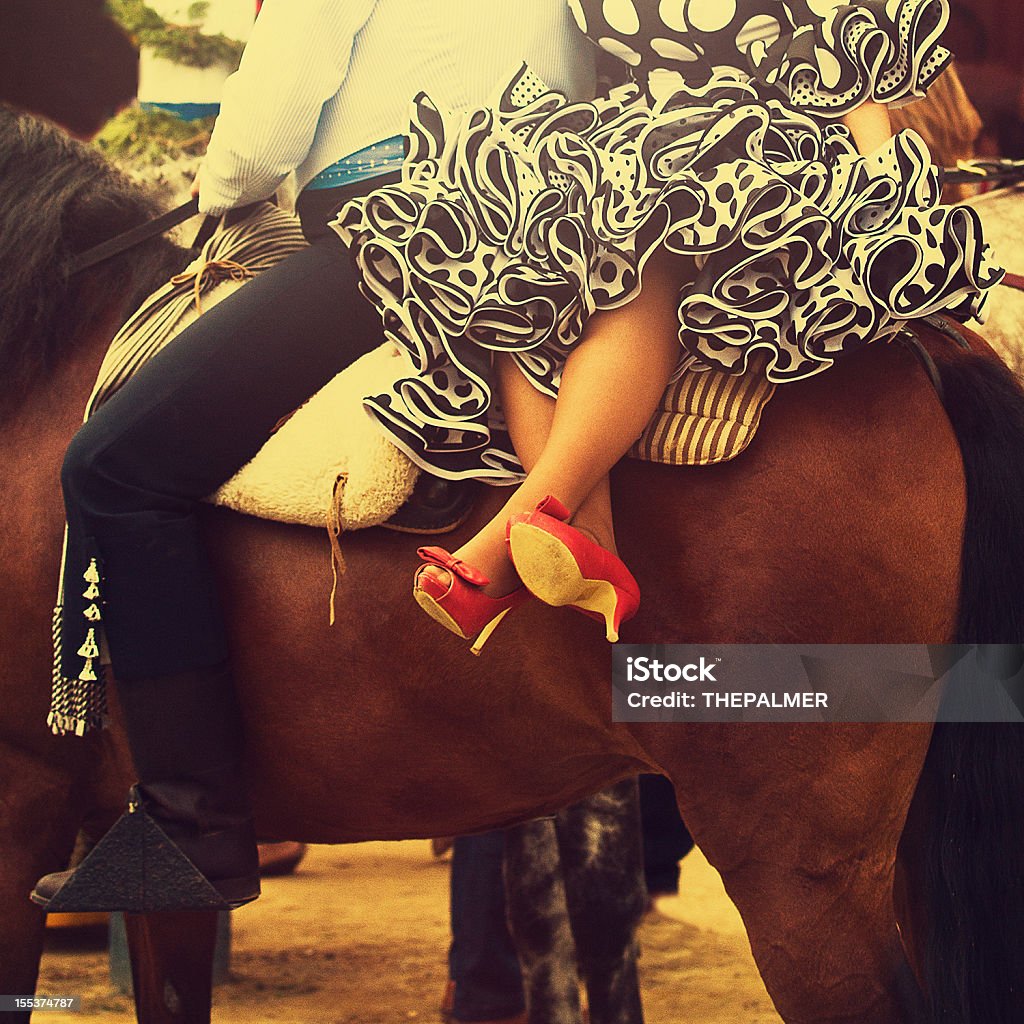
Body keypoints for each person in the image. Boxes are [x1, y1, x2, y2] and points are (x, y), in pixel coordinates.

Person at [32, 0, 597, 911]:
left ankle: (191, 825)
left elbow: (268, 126)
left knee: (112, 467)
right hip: (562, 227)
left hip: (402, 230)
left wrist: (222, 194)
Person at [332, 0, 1003, 652]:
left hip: (757, 146)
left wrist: (886, 190)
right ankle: (585, 529)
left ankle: (515, 529)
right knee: (519, 239)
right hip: (625, 138)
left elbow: (849, 52)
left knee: (643, 224)